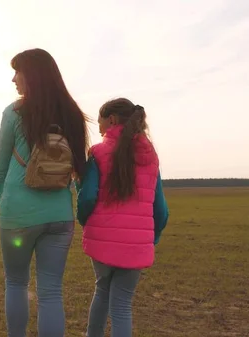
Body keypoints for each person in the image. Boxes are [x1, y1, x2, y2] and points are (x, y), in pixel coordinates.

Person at [0, 48, 90, 337]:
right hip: (59, 216)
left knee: (16, 283)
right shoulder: (72, 114)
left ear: (31, 76)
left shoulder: (15, 113)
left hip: (18, 214)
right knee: (51, 293)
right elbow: (77, 168)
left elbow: (0, 166)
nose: (13, 79)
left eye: (17, 72)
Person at [78, 98, 169, 337]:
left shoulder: (97, 153)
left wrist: (85, 221)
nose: (97, 127)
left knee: (101, 291)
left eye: (99, 121)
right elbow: (160, 209)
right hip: (137, 246)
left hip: (102, 238)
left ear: (111, 120)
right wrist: (152, 237)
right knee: (121, 306)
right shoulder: (151, 157)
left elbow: (87, 197)